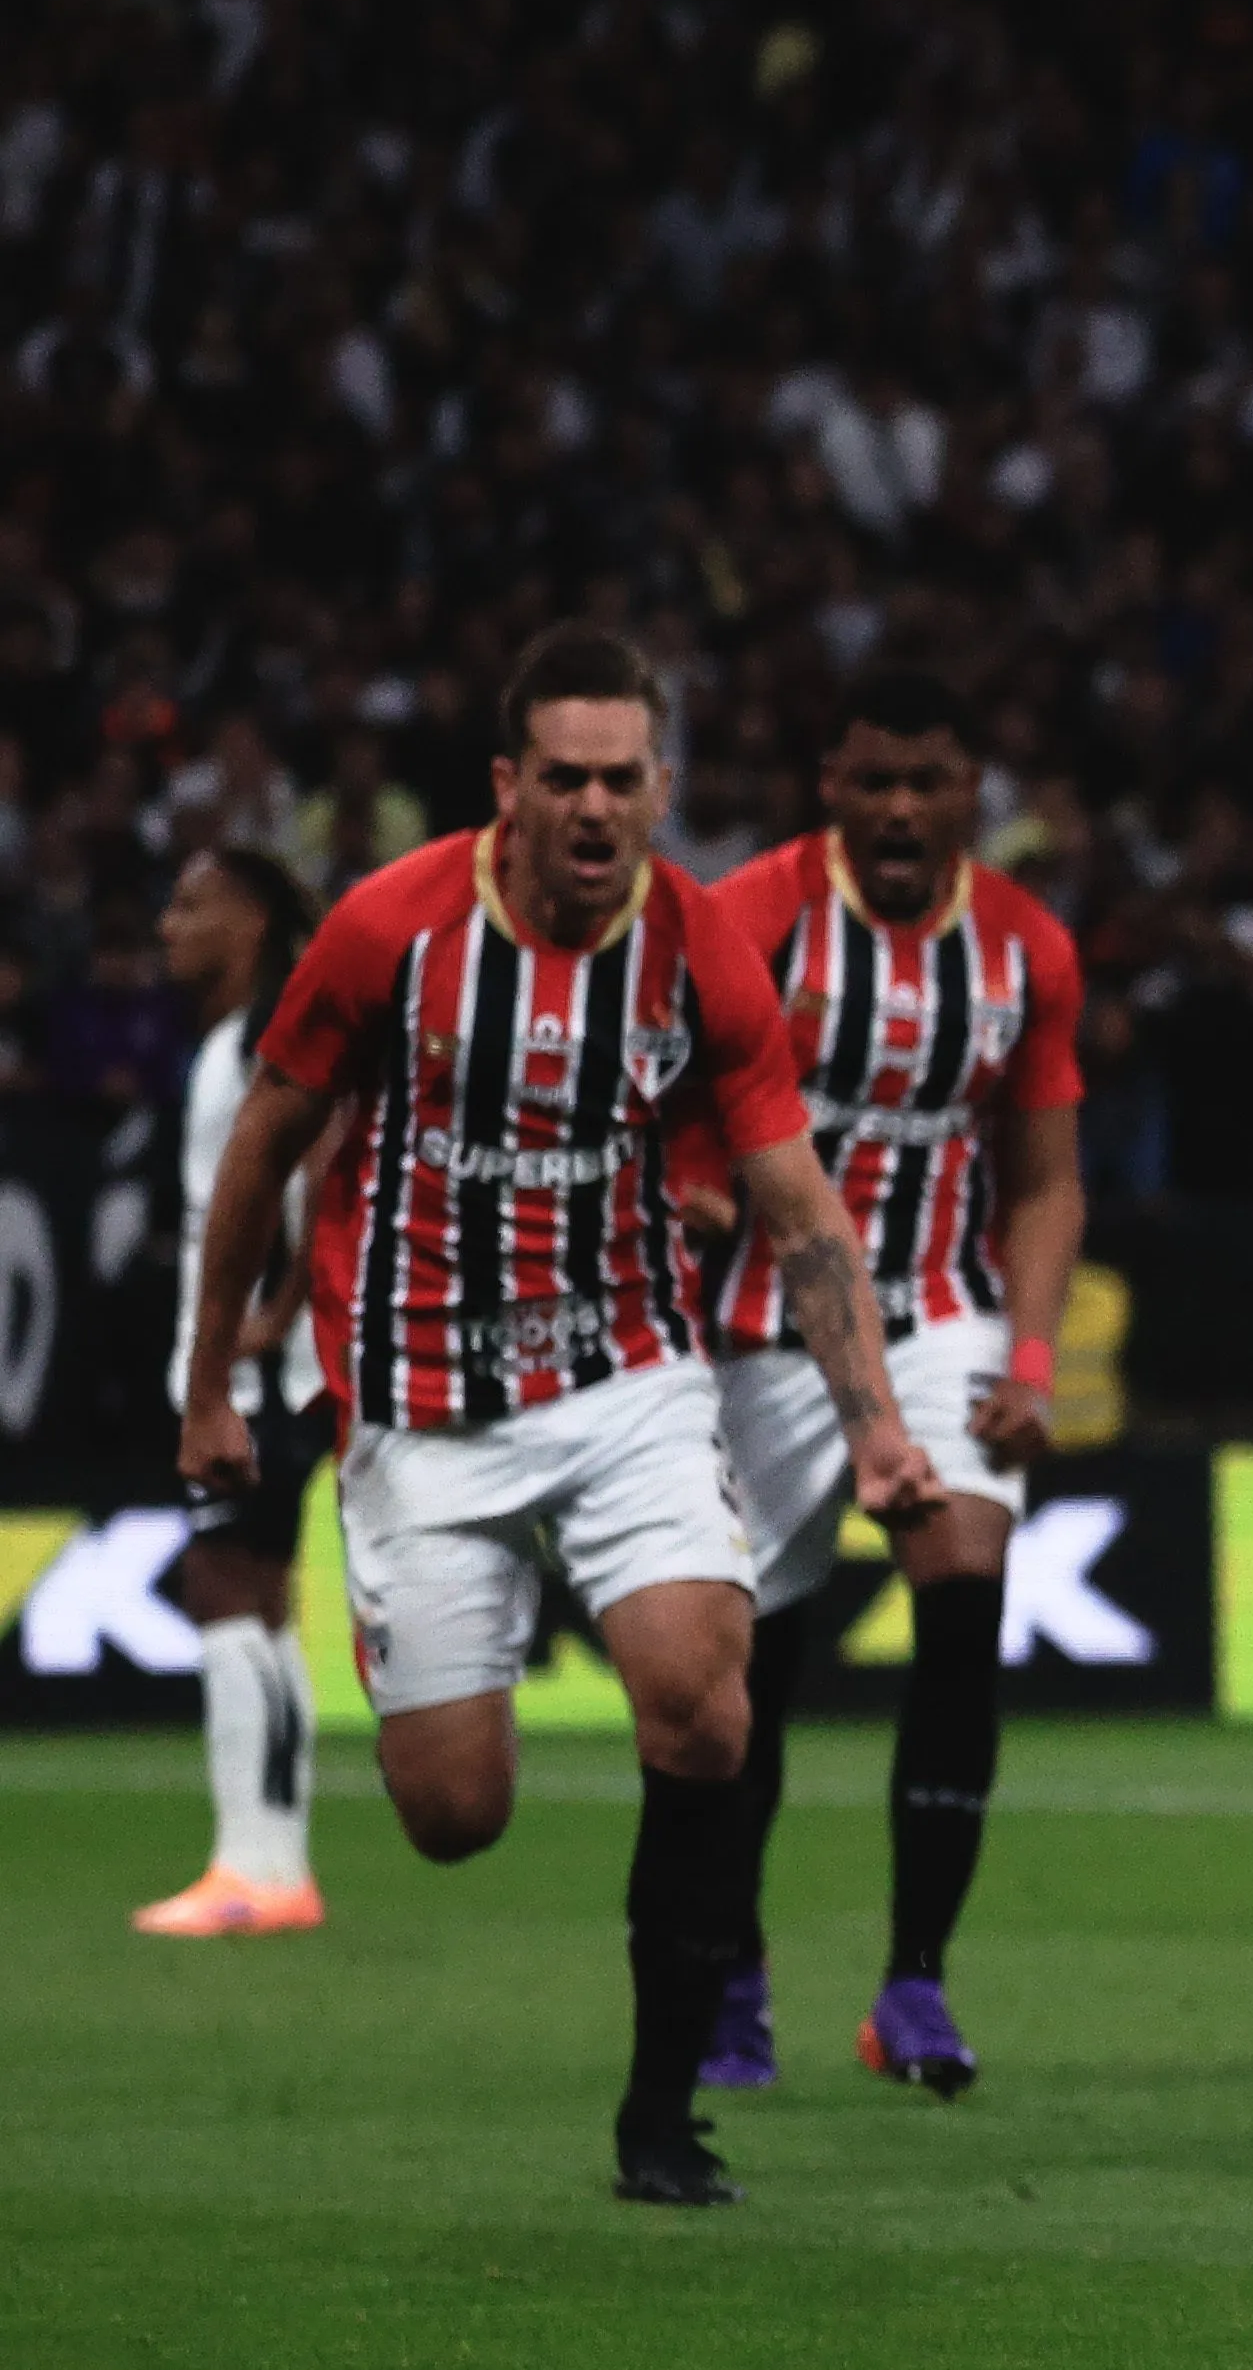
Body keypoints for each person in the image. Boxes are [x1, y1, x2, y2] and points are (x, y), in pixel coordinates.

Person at [177, 625, 939, 2209]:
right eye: (566, 778)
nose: (596, 809)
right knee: (457, 1815)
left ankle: (662, 2113)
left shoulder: (705, 949)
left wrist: (872, 1424)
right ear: (509, 788)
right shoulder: (392, 928)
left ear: (662, 789)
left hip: (627, 1379)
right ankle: (463, 1656)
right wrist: (211, 1384)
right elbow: (264, 1143)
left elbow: (798, 1202)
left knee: (705, 1708)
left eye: (625, 778)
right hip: (424, 1405)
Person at [685, 666, 1086, 2098]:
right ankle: (732, 1970)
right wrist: (688, 1193)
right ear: (828, 787)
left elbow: (1043, 1176)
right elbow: (668, 1109)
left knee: (964, 1589)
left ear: (975, 791)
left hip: (935, 1316)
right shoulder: (751, 920)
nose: (903, 807)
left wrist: (1032, 1359)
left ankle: (914, 1980)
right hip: (751, 1338)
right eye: (875, 780)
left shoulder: (1027, 945)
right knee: (748, 1688)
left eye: (930, 780)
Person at [132, 846, 333, 1939]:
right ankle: (277, 1861)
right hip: (265, 1374)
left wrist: (275, 1319)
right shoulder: (232, 1041)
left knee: (221, 1590)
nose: (170, 924)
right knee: (260, 1601)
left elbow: (317, 1169)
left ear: (249, 921)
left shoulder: (263, 1040)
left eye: (191, 901)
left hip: (253, 1378)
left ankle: (246, 1865)